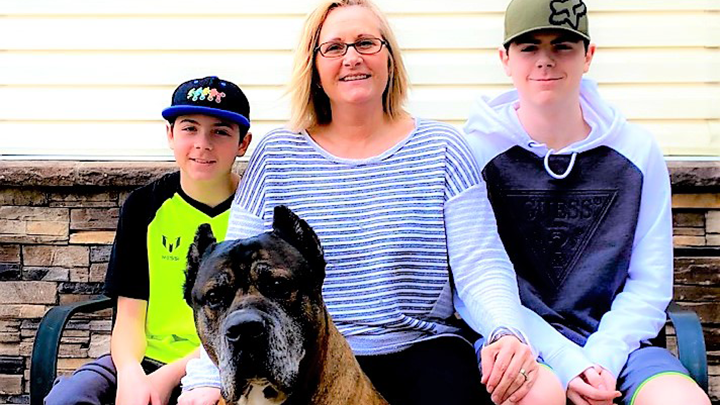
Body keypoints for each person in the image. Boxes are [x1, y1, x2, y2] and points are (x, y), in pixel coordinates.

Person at [178, 1, 568, 405]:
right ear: (314, 65)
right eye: (334, 47)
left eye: (366, 42)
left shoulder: (442, 148)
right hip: (307, 356)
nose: (352, 58)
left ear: (389, 58)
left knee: (539, 390)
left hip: (422, 350)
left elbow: (480, 264)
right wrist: (206, 377)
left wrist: (505, 331)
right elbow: (227, 272)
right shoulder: (277, 156)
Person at [462, 0, 712, 404]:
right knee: (537, 394)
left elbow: (649, 284)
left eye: (562, 45)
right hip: (520, 345)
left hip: (621, 349)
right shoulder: (474, 154)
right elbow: (473, 283)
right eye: (528, 47)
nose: (545, 60)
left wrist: (600, 361)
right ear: (504, 59)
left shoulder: (638, 151)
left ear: (588, 55)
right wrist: (566, 362)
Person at [44, 76, 253, 405]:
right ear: (169, 134)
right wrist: (130, 374)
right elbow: (128, 316)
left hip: (221, 365)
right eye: (189, 128)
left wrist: (169, 377)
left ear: (243, 143)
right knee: (67, 398)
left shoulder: (254, 211)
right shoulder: (144, 206)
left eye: (220, 131)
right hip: (141, 359)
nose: (203, 143)